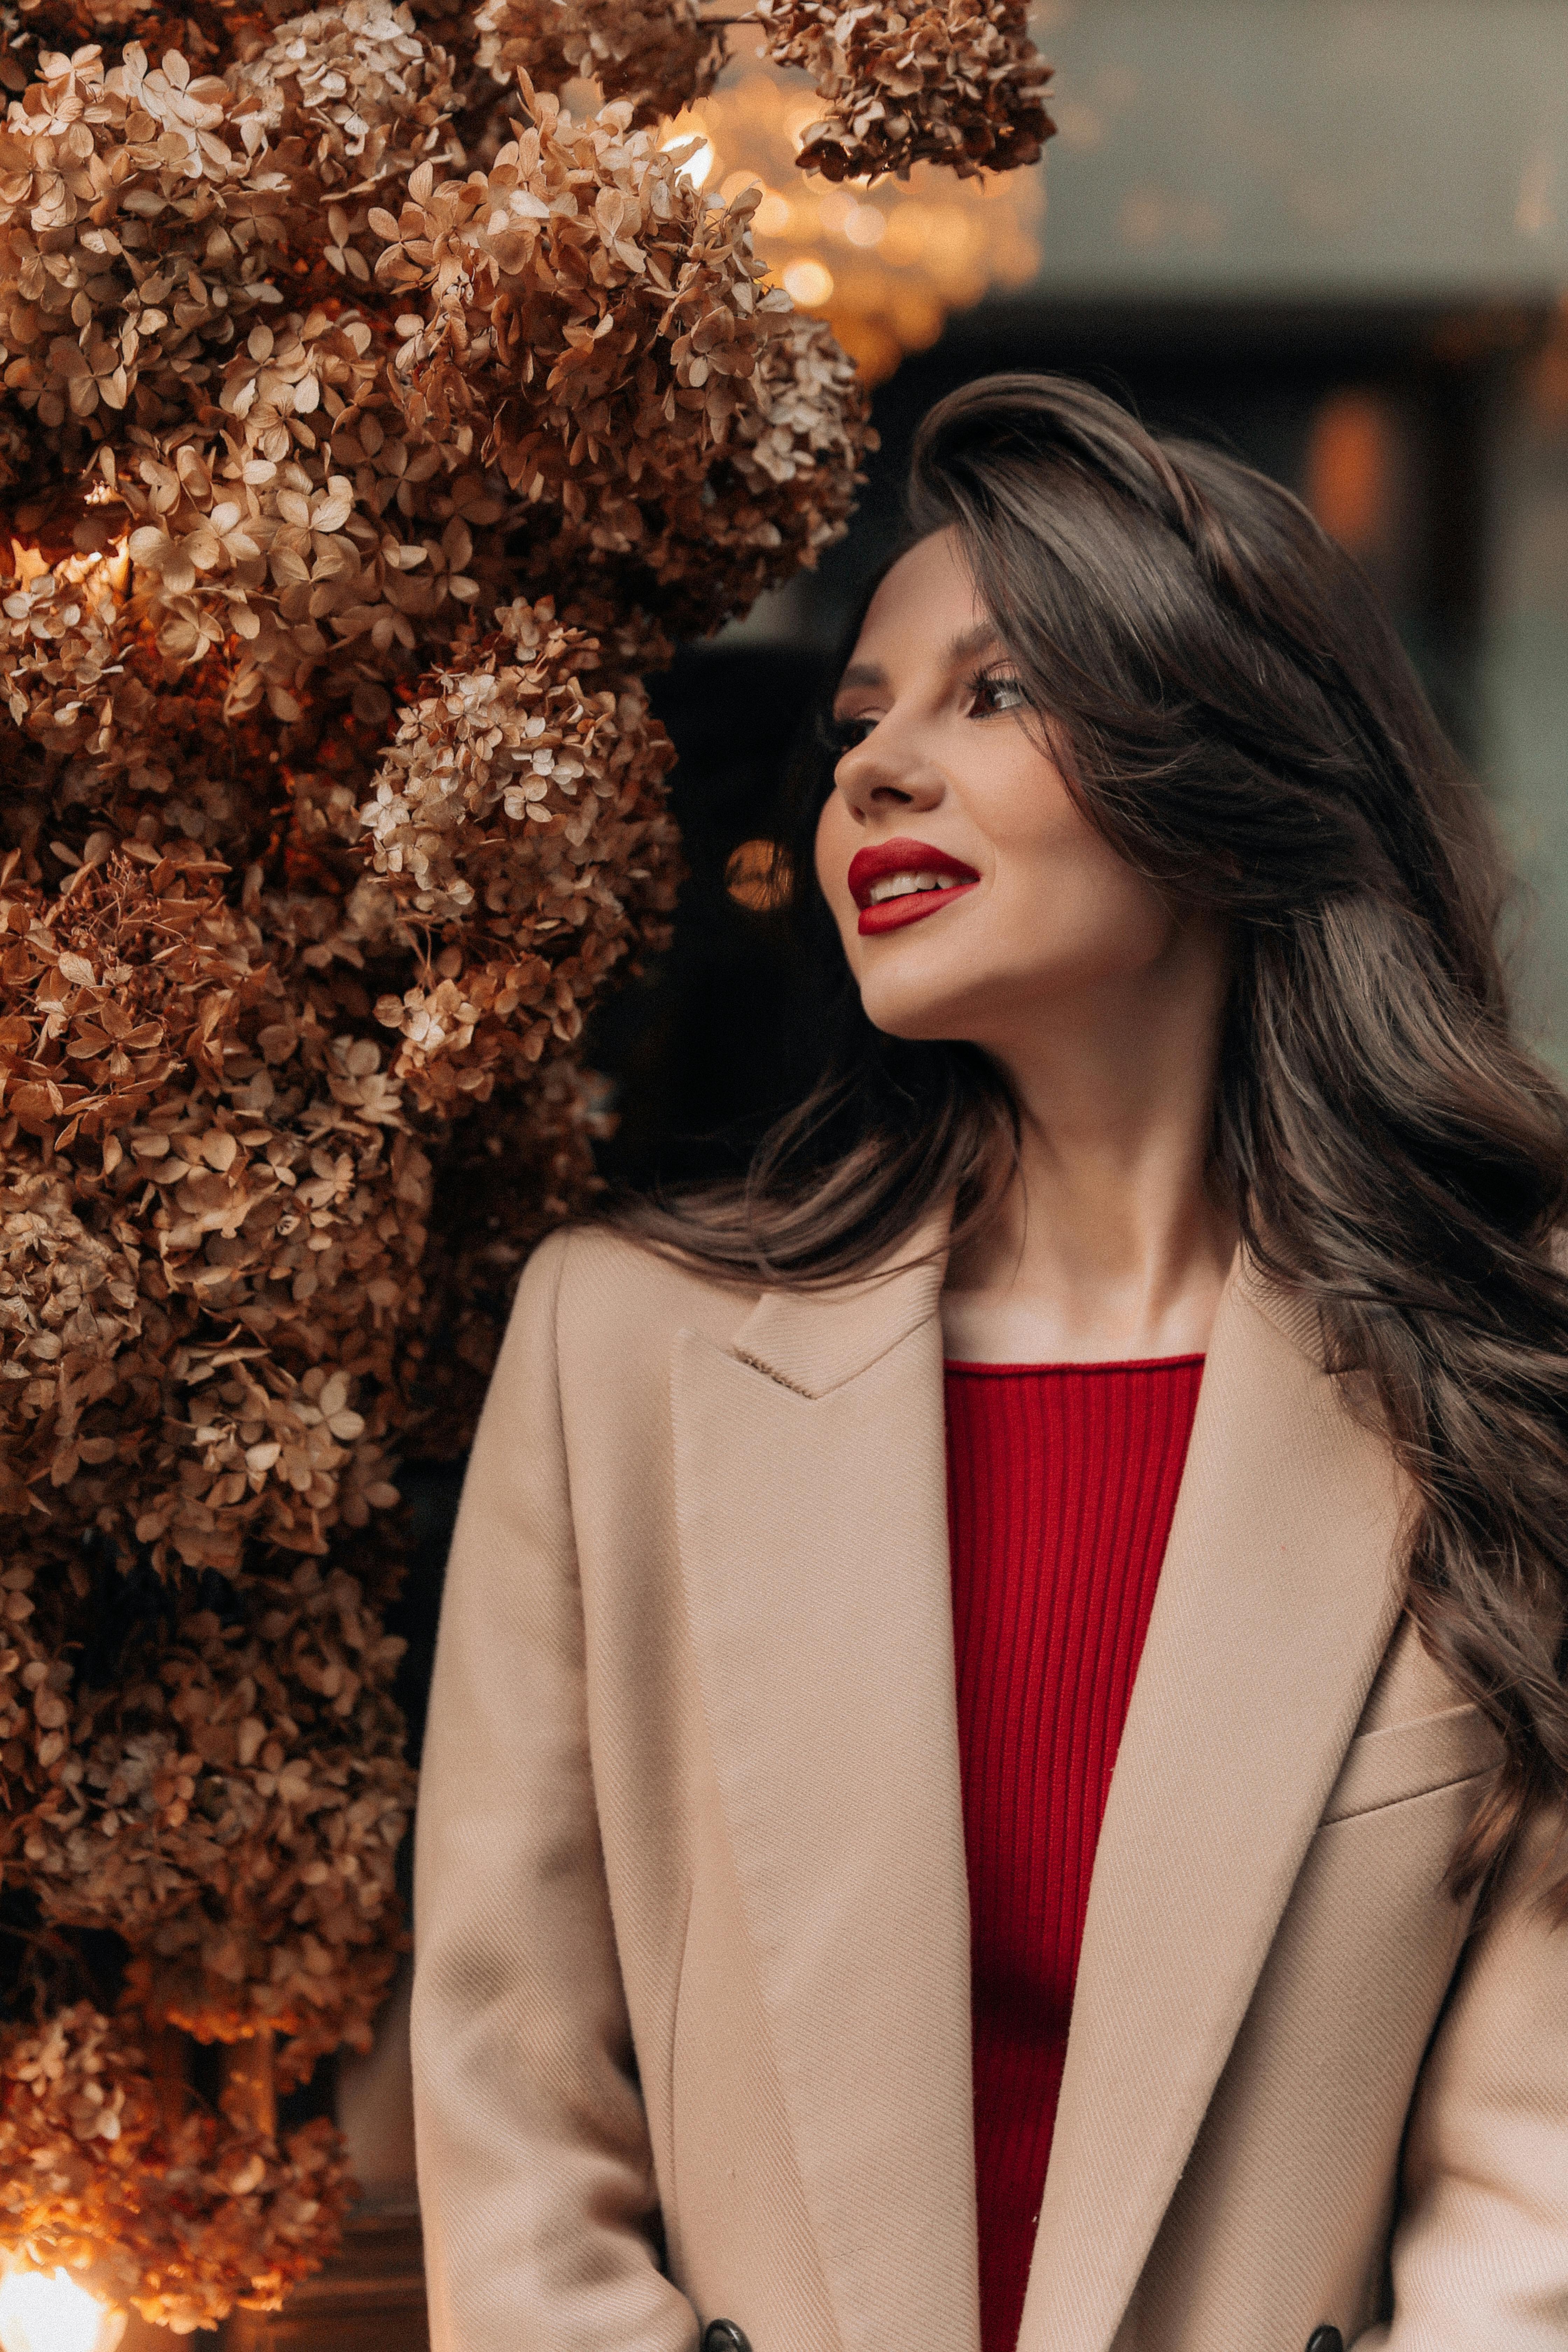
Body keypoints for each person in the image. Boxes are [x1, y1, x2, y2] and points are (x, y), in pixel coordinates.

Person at [410, 374, 1568, 2352]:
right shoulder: (623, 1353)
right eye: (858, 721)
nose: (874, 774)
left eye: (994, 693)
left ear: (1228, 774)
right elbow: (515, 2114)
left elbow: (1530, 2203)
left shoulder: (1496, 1377)